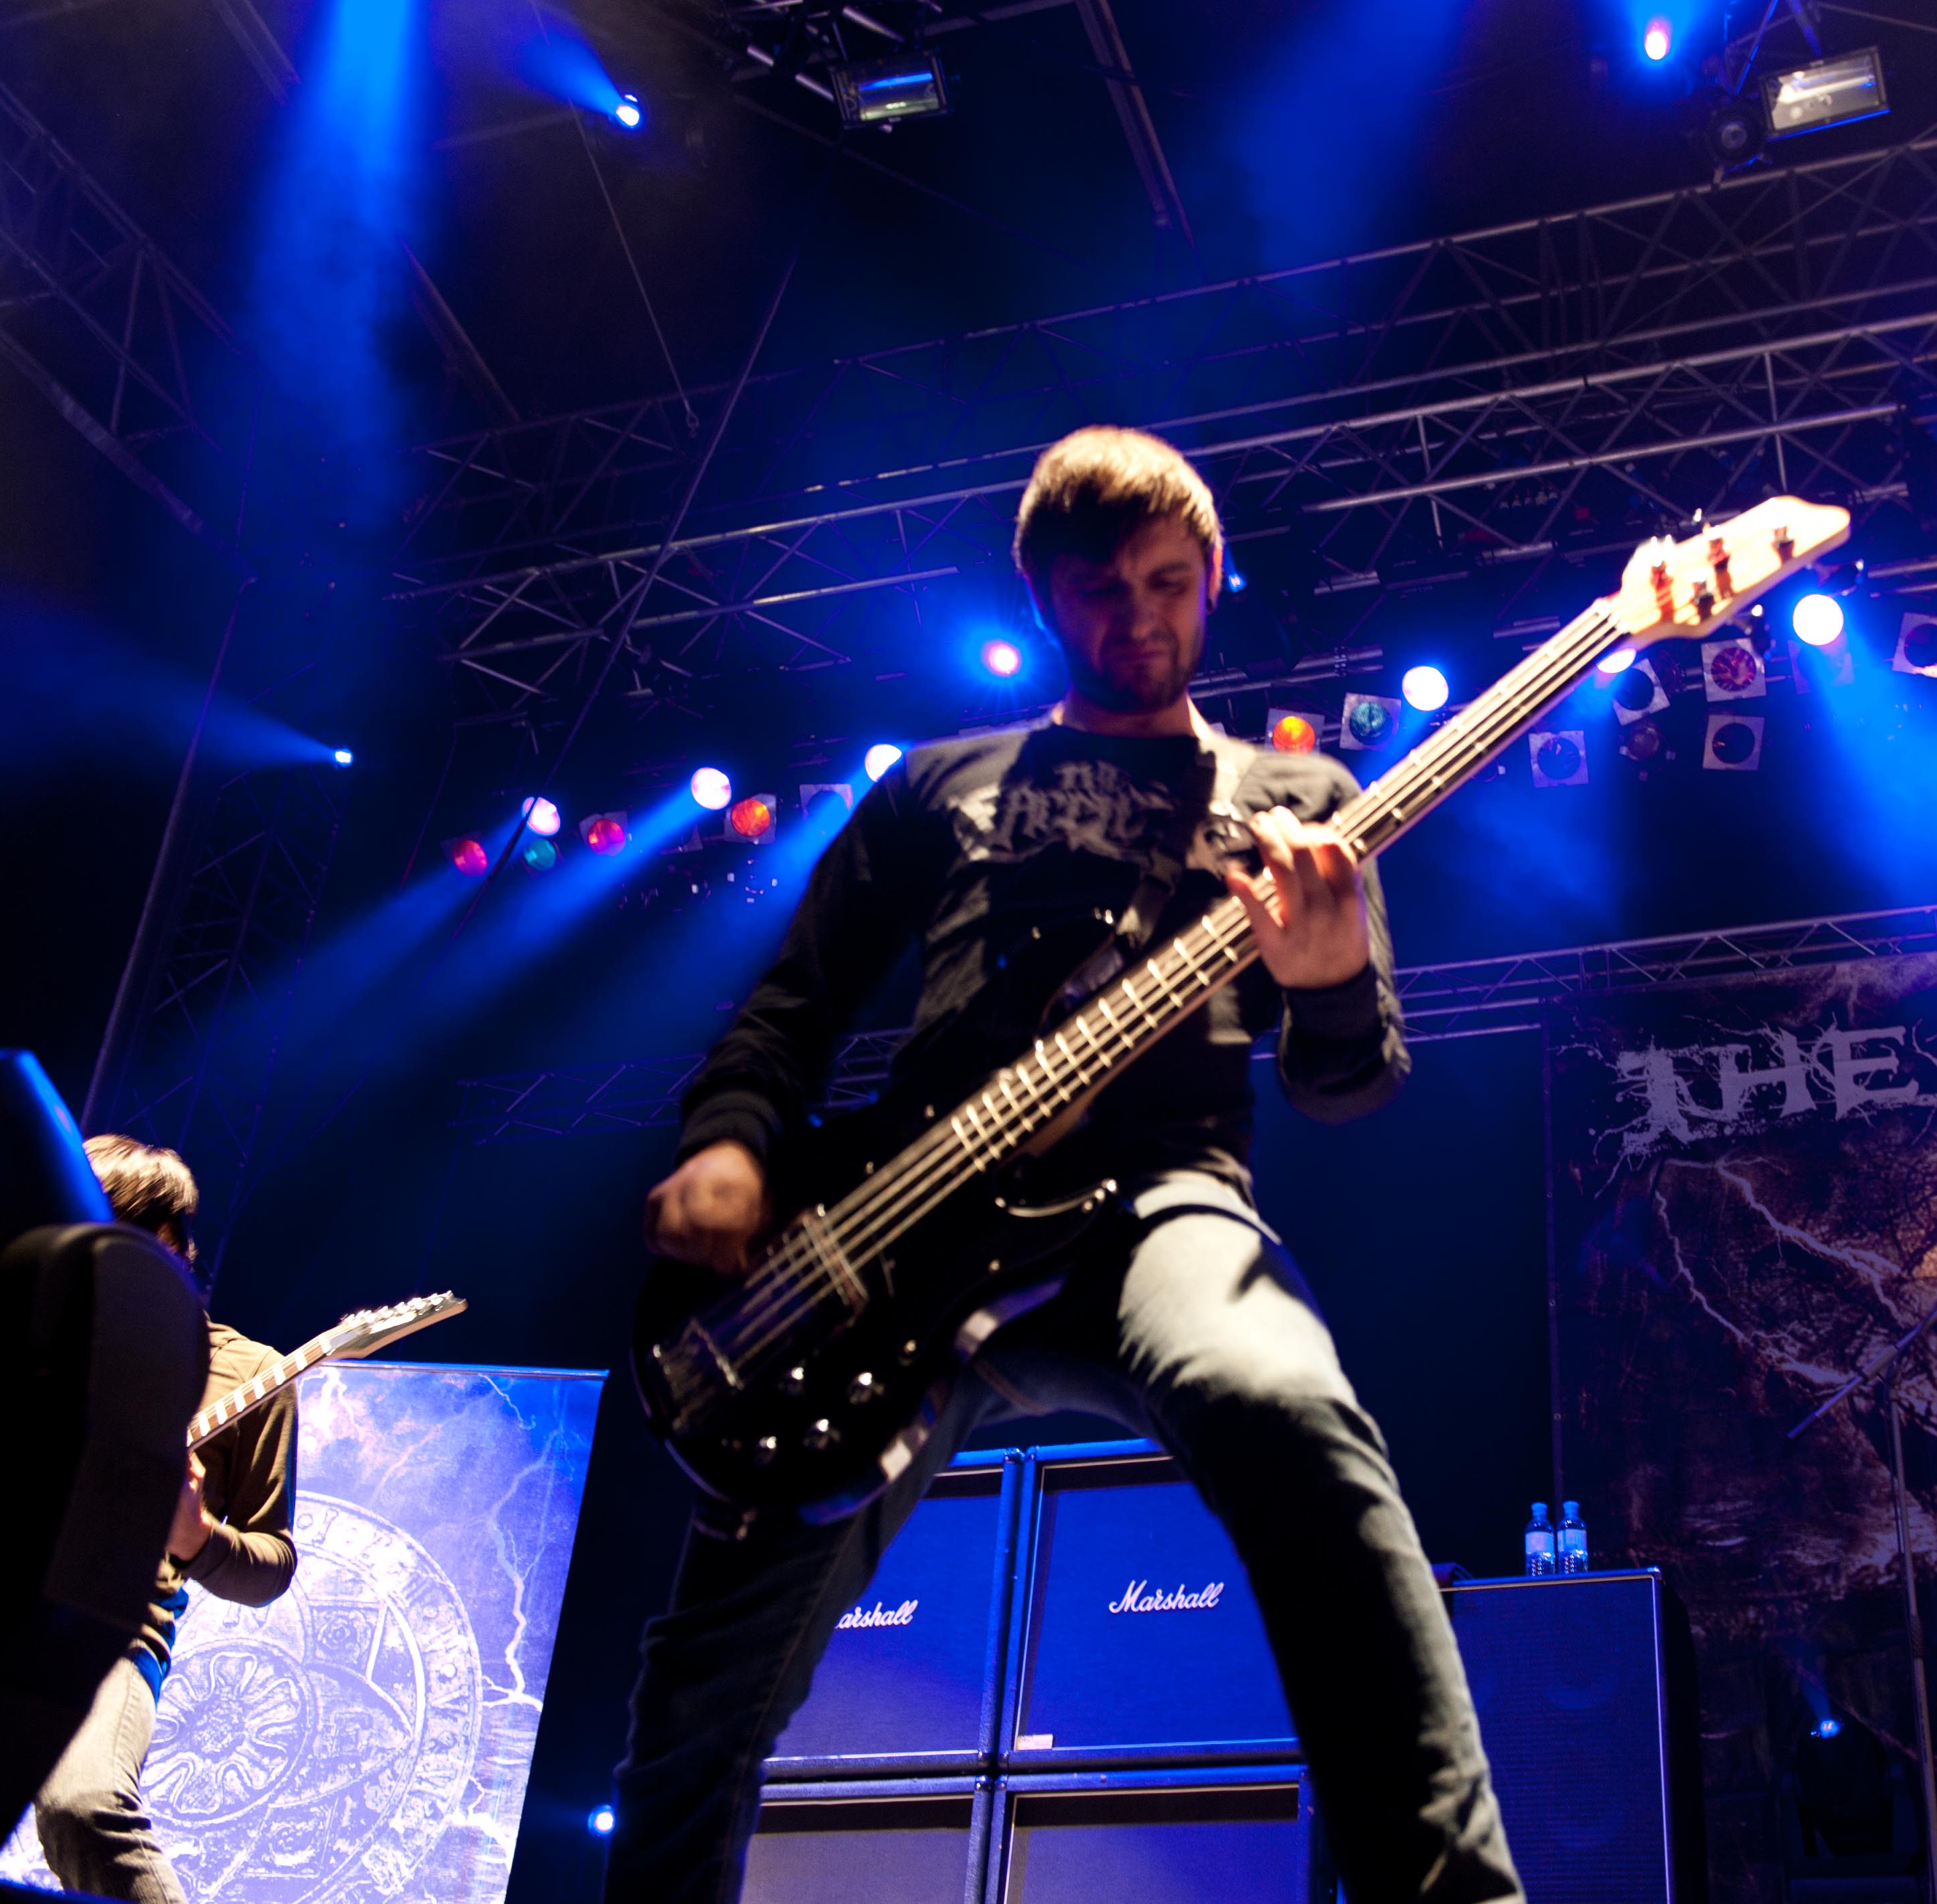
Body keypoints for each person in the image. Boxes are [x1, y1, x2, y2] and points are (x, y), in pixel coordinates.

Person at [611, 426, 1523, 1903]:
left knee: (1285, 1407)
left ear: (1213, 576)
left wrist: (1331, 974)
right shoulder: (940, 782)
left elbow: (1349, 1081)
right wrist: (728, 1145)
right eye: (1100, 589)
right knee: (703, 1680)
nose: (1138, 617)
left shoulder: (1295, 799)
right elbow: (788, 1007)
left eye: (1168, 582)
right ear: (1041, 596)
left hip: (1161, 1205)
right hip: (891, 1228)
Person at [31, 1136, 299, 1904]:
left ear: (170, 1249)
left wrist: (195, 1536)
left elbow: (272, 1564)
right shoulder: (35, 1335)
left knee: (84, 1805)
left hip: (106, 1629)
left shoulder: (249, 1374)